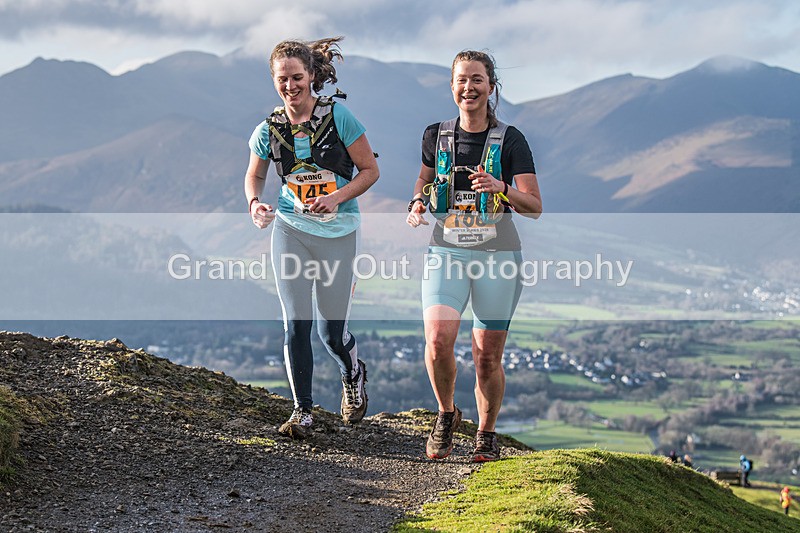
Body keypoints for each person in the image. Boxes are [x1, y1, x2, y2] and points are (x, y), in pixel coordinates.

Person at [406, 50, 542, 462]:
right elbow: (424, 180)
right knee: (437, 342)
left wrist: (501, 188)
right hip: (446, 251)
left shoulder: (511, 139)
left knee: (486, 356)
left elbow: (534, 206)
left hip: (498, 256)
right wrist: (417, 202)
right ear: (452, 86)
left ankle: (486, 433)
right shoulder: (435, 135)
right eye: (462, 80)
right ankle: (446, 414)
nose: (469, 87)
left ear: (491, 86)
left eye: (477, 79)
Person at [244, 37, 379, 438]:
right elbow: (255, 175)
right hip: (291, 229)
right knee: (295, 323)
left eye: (297, 77)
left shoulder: (339, 117)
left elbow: (370, 171)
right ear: (273, 80)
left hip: (338, 233)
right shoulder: (269, 129)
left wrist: (336, 198)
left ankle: (352, 373)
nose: (290, 86)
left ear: (312, 75)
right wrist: (255, 203)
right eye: (282, 79)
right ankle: (302, 411)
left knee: (330, 333)